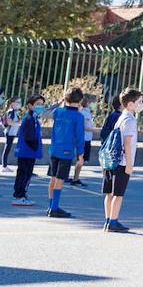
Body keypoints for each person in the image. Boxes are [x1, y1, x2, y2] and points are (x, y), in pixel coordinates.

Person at [102, 88, 143, 232]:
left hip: (112, 160)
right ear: (130, 104)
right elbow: (127, 143)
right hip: (122, 162)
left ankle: (108, 220)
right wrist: (130, 165)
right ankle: (113, 222)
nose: (141, 104)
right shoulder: (130, 120)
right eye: (139, 101)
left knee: (109, 193)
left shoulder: (121, 117)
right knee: (118, 194)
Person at [46, 87, 86, 218]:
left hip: (54, 149)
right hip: (67, 151)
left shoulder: (58, 111)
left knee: (53, 178)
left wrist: (59, 102)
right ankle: (55, 208)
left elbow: (44, 112)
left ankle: (51, 205)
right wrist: (80, 154)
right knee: (60, 179)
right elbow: (80, 136)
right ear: (80, 100)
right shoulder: (79, 116)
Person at [12, 95, 45, 206]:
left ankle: (21, 194)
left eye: (42, 104)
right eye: (38, 104)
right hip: (27, 151)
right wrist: (35, 146)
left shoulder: (34, 118)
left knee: (25, 173)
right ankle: (20, 195)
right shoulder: (29, 119)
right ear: (30, 106)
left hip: (29, 152)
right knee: (24, 174)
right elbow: (29, 136)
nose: (40, 106)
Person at [69, 97, 95, 188]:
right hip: (83, 139)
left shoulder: (88, 112)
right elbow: (83, 126)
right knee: (80, 159)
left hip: (87, 139)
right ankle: (75, 179)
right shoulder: (83, 113)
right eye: (92, 102)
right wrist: (94, 130)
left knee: (82, 160)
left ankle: (76, 178)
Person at [1, 97, 22, 171]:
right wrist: (18, 123)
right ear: (12, 103)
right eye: (18, 102)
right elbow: (9, 122)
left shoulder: (13, 111)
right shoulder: (11, 111)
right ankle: (4, 166)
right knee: (7, 148)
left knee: (7, 148)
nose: (20, 104)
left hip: (11, 132)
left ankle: (4, 166)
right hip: (10, 132)